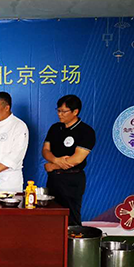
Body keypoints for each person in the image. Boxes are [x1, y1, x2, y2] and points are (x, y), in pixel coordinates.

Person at [42, 95, 96, 227]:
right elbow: (45, 150)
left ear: (75, 111)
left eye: (64, 111)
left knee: (71, 215)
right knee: (52, 213)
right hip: (53, 179)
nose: (60, 114)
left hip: (72, 179)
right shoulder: (55, 128)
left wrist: (53, 166)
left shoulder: (86, 131)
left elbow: (76, 159)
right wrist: (55, 160)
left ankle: (73, 239)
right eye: (58, 110)